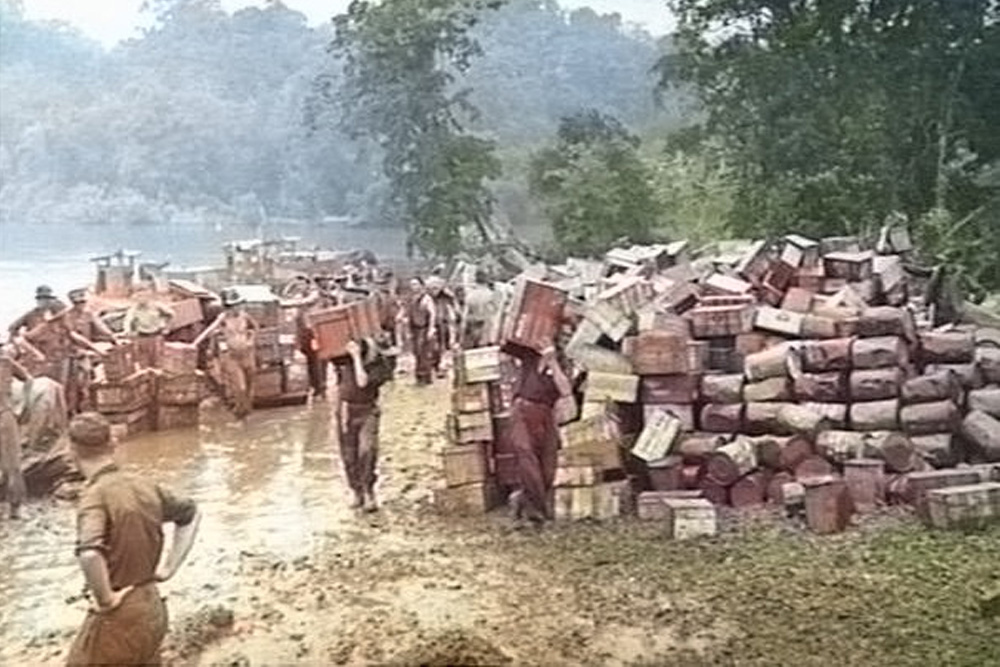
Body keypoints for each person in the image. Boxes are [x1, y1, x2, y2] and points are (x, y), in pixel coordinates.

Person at [65, 412, 200, 666]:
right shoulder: (143, 484)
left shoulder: (94, 495)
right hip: (152, 605)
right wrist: (170, 567)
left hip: (120, 615)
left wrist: (106, 599)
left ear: (72, 450)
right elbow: (191, 514)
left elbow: (90, 553)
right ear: (113, 444)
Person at [509, 345, 573, 525]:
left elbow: (565, 391)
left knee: (547, 466)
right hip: (522, 410)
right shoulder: (529, 356)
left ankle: (521, 498)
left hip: (545, 414)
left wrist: (552, 362)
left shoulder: (562, 363)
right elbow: (508, 343)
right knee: (526, 456)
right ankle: (538, 512)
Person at [334, 338, 392, 511]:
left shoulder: (378, 364)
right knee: (348, 454)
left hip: (367, 410)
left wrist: (357, 358)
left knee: (367, 450)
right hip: (346, 410)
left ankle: (368, 491)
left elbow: (362, 382)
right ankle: (356, 491)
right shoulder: (345, 360)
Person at [194, 289, 259, 419]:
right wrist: (195, 343)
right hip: (232, 356)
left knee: (249, 387)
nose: (235, 308)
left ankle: (245, 411)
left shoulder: (245, 316)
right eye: (231, 306)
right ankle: (240, 413)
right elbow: (209, 331)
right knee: (240, 387)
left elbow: (255, 328)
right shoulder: (223, 317)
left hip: (247, 354)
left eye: (237, 305)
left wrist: (251, 339)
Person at [63, 289, 119, 415]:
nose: (81, 305)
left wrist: (113, 338)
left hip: (86, 351)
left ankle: (88, 404)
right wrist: (93, 348)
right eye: (78, 303)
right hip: (70, 351)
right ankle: (71, 408)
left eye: (83, 302)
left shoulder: (88, 314)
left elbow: (101, 328)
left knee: (89, 376)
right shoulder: (66, 316)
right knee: (72, 381)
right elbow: (72, 336)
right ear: (73, 303)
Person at [1, 341, 32, 519]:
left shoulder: (5, 362)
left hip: (4, 414)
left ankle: (16, 505)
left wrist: (24, 405)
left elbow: (28, 379)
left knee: (12, 464)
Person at [122, 290, 173, 369]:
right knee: (143, 362)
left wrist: (167, 327)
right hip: (142, 337)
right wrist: (127, 330)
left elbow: (171, 314)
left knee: (158, 361)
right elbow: (128, 321)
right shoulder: (134, 309)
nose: (140, 299)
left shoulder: (157, 306)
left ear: (147, 297)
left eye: (142, 296)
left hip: (156, 336)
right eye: (138, 297)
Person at [403, 277, 436, 385]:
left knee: (424, 353)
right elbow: (407, 312)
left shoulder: (426, 299)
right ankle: (420, 376)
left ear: (421, 285)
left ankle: (425, 377)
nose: (414, 287)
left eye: (416, 284)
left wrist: (431, 328)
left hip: (424, 328)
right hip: (414, 329)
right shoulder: (411, 299)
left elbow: (432, 314)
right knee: (416, 353)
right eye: (412, 284)